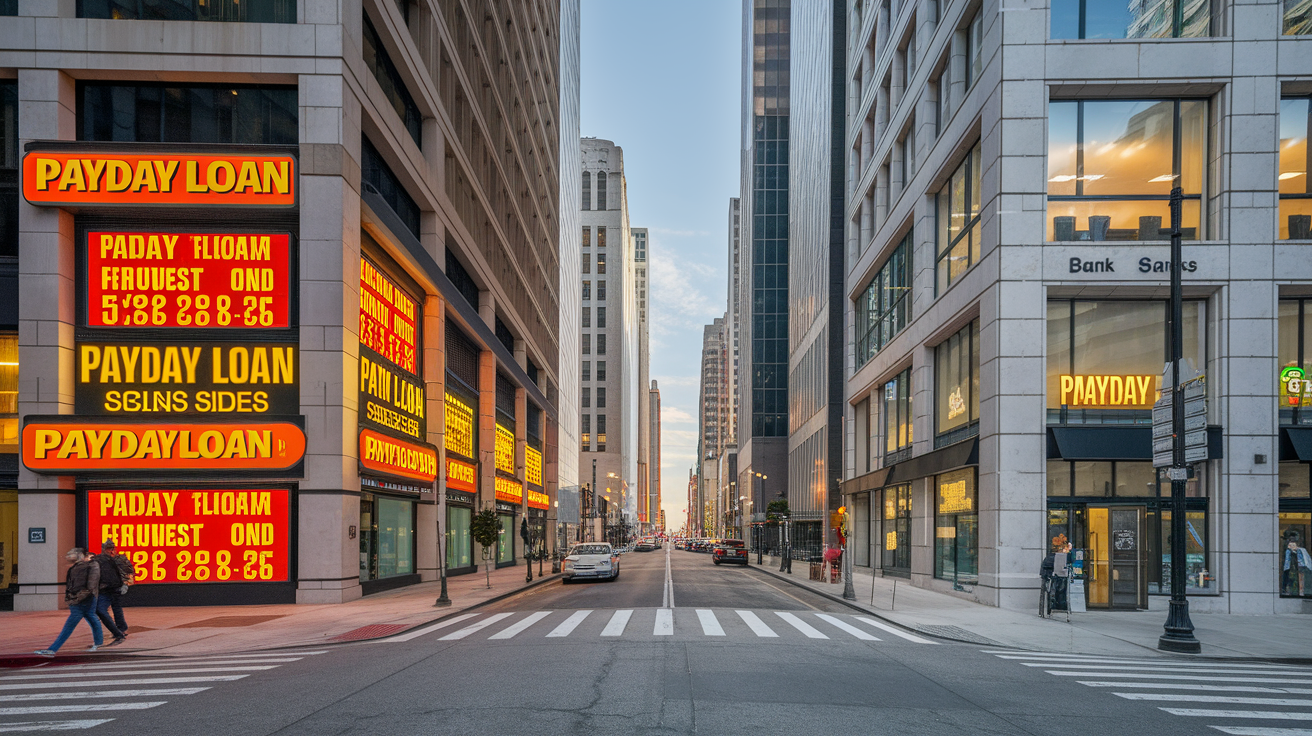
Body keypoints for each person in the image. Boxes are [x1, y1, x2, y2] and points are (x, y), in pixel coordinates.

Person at [33, 547, 103, 656]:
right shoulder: (75, 567)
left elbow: (90, 586)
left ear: (80, 554)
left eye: (71, 553)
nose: (68, 556)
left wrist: (76, 599)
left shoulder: (92, 565)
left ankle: (53, 649)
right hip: (80, 598)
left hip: (84, 599)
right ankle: (99, 644)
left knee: (70, 624)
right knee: (91, 617)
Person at [93, 541, 131, 646]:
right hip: (110, 588)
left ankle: (119, 630)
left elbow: (128, 572)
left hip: (111, 588)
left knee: (111, 608)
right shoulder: (103, 559)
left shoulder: (114, 559)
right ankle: (120, 630)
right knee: (112, 608)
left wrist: (125, 584)